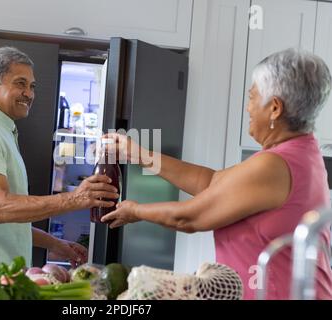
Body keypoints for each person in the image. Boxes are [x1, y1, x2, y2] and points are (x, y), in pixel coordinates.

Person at [101, 48, 332, 300]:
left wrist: (135, 211)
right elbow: (211, 182)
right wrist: (138, 154)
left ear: (275, 108)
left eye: (252, 97)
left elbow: (189, 218)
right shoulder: (299, 153)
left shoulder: (274, 165)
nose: (248, 108)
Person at [0, 47, 119, 272]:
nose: (29, 94)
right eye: (20, 84)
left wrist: (56, 244)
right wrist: (74, 199)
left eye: (32, 86)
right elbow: (1, 207)